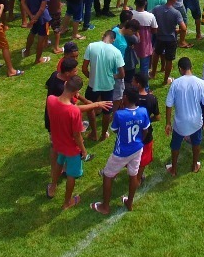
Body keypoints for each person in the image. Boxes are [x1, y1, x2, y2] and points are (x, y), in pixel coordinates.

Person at [92, 86, 151, 215]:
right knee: (133, 175)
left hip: (121, 152)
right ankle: (129, 202)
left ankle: (105, 207)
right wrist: (139, 141)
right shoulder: (143, 111)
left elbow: (115, 130)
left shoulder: (120, 114)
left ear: (125, 98)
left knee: (107, 175)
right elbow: (145, 131)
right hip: (137, 148)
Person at [47, 76, 100, 210]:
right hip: (71, 147)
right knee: (71, 175)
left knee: (59, 162)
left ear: (65, 84)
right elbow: (77, 134)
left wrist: (95, 104)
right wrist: (84, 150)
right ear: (76, 92)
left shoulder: (50, 100)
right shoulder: (74, 112)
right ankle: (67, 202)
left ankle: (52, 186)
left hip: (59, 143)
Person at [165, 57, 204, 177]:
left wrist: (168, 123)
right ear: (191, 67)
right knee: (196, 143)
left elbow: (169, 105)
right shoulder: (201, 83)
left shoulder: (176, 83)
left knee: (175, 145)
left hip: (180, 123)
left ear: (180, 69)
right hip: (196, 122)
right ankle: (195, 165)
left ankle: (174, 169)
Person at [84, 29, 126, 141]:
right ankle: (103, 134)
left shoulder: (91, 46)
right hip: (108, 87)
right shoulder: (116, 52)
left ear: (103, 35)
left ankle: (94, 133)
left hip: (92, 85)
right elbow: (122, 74)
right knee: (107, 112)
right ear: (113, 39)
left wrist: (92, 77)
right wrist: (113, 77)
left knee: (90, 108)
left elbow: (84, 68)